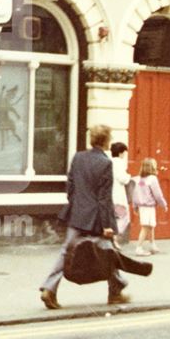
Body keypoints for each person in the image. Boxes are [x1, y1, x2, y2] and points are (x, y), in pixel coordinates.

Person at [39, 124, 129, 309]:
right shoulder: (106, 163)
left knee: (66, 251)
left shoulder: (78, 157)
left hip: (77, 214)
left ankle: (49, 288)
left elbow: (70, 185)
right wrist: (107, 225)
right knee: (109, 252)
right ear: (106, 141)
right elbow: (104, 197)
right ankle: (115, 292)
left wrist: (76, 204)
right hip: (96, 218)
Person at [132, 157, 168, 256]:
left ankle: (152, 244)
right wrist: (163, 204)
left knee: (151, 225)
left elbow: (134, 194)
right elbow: (158, 195)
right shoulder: (152, 179)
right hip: (148, 206)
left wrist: (134, 206)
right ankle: (139, 248)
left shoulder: (138, 179)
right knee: (146, 227)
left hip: (141, 206)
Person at [110, 141, 132, 243]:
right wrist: (129, 176)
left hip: (110, 194)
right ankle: (114, 239)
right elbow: (122, 178)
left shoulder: (109, 161)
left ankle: (113, 239)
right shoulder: (119, 163)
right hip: (118, 195)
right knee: (123, 217)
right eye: (124, 153)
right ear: (120, 153)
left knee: (114, 217)